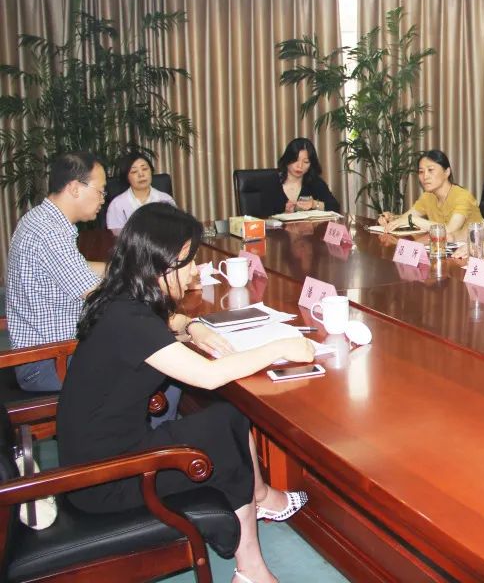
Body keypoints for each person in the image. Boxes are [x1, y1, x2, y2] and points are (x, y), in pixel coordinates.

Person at [57, 203, 315, 583]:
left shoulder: (121, 299)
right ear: (161, 265)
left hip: (100, 458)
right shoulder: (129, 319)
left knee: (229, 414)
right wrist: (280, 346)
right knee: (218, 436)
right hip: (106, 478)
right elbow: (208, 376)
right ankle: (252, 571)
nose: (195, 271)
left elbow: (164, 323)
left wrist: (192, 326)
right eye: (188, 261)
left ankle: (260, 498)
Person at [5, 152, 106, 392]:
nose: (103, 199)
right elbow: (99, 296)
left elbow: (77, 267)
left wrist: (122, 267)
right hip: (49, 362)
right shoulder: (50, 233)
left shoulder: (39, 218)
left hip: (51, 353)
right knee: (145, 367)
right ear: (75, 188)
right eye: (101, 191)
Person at [378, 150, 482, 235]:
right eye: (421, 172)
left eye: (430, 170)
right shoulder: (428, 196)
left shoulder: (463, 197)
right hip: (441, 247)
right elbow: (407, 217)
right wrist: (391, 218)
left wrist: (413, 220)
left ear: (447, 172)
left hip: (473, 250)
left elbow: (450, 230)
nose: (425, 176)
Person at [105, 151, 177, 230]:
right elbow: (115, 235)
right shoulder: (117, 205)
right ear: (127, 178)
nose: (141, 174)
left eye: (144, 169)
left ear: (151, 171)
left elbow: (174, 229)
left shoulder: (166, 200)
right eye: (134, 171)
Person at [267, 137, 341, 215]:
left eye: (306, 162)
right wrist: (284, 213)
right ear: (287, 159)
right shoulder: (272, 181)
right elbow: (261, 213)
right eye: (295, 160)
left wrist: (314, 204)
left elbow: (335, 207)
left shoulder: (315, 182)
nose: (300, 166)